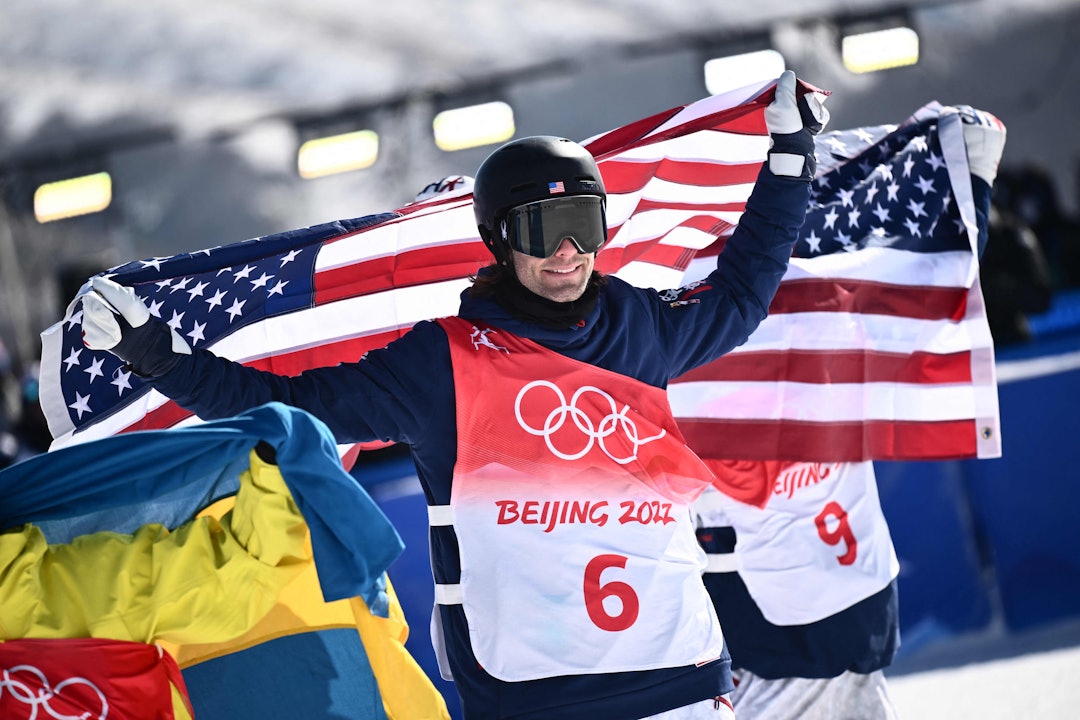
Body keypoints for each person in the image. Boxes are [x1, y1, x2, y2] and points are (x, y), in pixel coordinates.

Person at [78, 70, 827, 720]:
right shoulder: (440, 365)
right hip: (536, 695)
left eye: (582, 223)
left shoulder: (641, 328)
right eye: (541, 229)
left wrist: (790, 159)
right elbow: (279, 407)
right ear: (500, 240)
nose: (567, 252)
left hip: (681, 676)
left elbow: (742, 292)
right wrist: (154, 354)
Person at [689, 104, 1009, 720]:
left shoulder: (814, 335)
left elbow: (922, 296)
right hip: (770, 611)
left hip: (810, 612)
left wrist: (958, 173)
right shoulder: (752, 337)